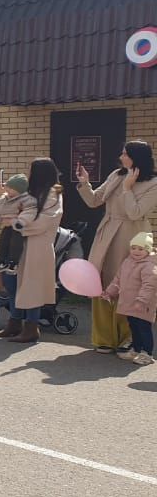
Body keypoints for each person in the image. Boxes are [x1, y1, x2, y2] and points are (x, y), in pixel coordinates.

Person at [76, 140, 157, 354]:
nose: (120, 157)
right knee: (101, 282)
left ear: (136, 157)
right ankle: (103, 337)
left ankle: (128, 338)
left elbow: (135, 213)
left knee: (129, 285)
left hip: (133, 236)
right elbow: (94, 201)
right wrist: (85, 183)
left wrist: (128, 189)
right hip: (107, 232)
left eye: (124, 153)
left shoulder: (153, 182)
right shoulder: (116, 174)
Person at [0, 159, 63, 343]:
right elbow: (15, 205)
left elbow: (44, 221)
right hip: (20, 245)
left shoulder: (53, 194)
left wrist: (15, 224)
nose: (28, 173)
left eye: (31, 170)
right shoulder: (32, 192)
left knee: (32, 287)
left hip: (37, 245)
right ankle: (14, 322)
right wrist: (6, 195)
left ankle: (31, 327)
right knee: (12, 282)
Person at [103, 232, 157, 365]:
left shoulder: (149, 266)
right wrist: (109, 292)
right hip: (129, 303)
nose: (136, 251)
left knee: (144, 328)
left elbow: (149, 286)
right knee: (134, 327)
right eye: (133, 248)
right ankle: (136, 349)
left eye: (141, 249)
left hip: (143, 304)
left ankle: (147, 353)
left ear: (148, 250)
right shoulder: (127, 262)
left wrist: (142, 301)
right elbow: (118, 279)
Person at [0, 174, 32, 273]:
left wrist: (20, 222)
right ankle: (0, 260)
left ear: (19, 190)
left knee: (15, 243)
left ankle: (13, 262)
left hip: (17, 225)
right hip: (7, 225)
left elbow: (29, 213)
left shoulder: (26, 200)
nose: (7, 190)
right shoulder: (4, 198)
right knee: (3, 241)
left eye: (10, 189)